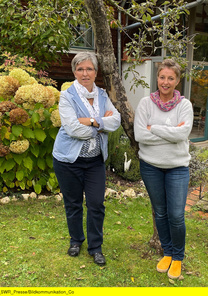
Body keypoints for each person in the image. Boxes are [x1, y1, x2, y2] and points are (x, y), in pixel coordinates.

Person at [52, 51, 121, 266]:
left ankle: (95, 246)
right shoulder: (67, 96)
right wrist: (101, 125)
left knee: (96, 204)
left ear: (95, 72)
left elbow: (116, 121)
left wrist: (90, 121)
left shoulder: (102, 95)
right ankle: (75, 240)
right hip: (68, 160)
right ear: (74, 72)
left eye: (89, 68)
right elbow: (72, 128)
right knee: (72, 204)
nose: (85, 73)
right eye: (80, 69)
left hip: (94, 161)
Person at [134, 59, 193, 279]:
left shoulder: (184, 105)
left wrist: (154, 129)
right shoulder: (145, 104)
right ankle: (167, 253)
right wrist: (170, 133)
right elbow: (140, 136)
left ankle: (178, 257)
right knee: (160, 212)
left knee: (176, 216)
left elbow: (182, 135)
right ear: (156, 78)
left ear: (177, 80)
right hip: (150, 167)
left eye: (170, 78)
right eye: (162, 77)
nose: (165, 82)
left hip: (178, 168)